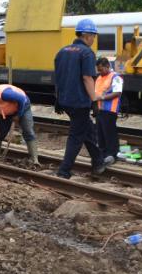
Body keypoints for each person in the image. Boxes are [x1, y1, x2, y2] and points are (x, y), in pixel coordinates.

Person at [53, 18, 108, 179]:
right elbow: (87, 78)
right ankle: (64, 170)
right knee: (77, 135)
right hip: (79, 101)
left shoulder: (62, 51)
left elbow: (58, 77)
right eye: (93, 36)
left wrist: (58, 99)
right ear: (86, 35)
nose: (94, 39)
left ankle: (98, 161)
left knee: (87, 129)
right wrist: (94, 99)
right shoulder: (86, 53)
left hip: (65, 100)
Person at [94, 57, 123, 165]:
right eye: (98, 70)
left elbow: (117, 92)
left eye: (101, 69)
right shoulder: (100, 77)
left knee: (109, 133)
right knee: (100, 133)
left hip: (110, 110)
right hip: (100, 110)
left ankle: (112, 154)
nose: (99, 72)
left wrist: (102, 98)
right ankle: (103, 154)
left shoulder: (115, 77)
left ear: (107, 66)